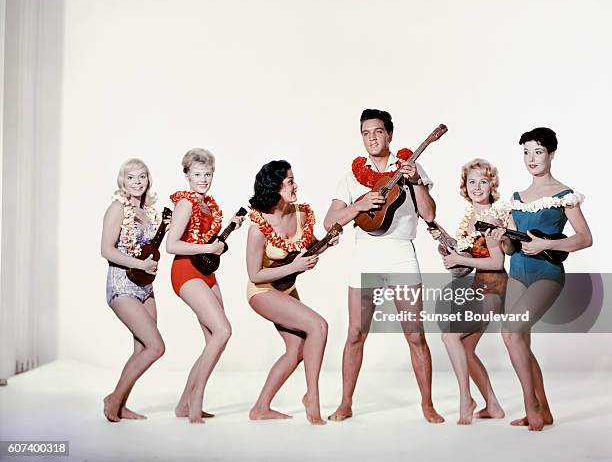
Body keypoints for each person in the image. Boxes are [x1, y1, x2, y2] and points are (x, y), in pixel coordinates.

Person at [324, 109, 444, 423]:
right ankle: (345, 403)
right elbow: (328, 222)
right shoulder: (351, 177)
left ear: (389, 134)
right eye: (365, 133)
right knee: (355, 334)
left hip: (401, 253)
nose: (372, 138)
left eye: (377, 131)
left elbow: (429, 214)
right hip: (365, 257)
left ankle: (427, 404)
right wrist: (359, 205)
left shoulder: (409, 167)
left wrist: (416, 180)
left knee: (415, 334)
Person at [494, 127, 592, 431]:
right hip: (518, 272)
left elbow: (585, 238)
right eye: (526, 152)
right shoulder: (515, 199)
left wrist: (545, 245)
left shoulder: (565, 196)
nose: (531, 158)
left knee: (511, 333)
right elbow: (511, 248)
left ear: (551, 154)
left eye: (537, 151)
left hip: (547, 274)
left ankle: (531, 408)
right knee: (517, 337)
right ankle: (543, 410)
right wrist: (499, 239)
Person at [246, 160, 339, 425]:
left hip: (288, 288)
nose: (295, 185)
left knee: (296, 349)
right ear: (275, 188)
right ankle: (313, 397)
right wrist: (297, 265)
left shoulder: (300, 214)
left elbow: (308, 249)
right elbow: (254, 274)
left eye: (293, 179)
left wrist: (326, 244)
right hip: (262, 291)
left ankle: (260, 408)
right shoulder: (258, 228)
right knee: (319, 326)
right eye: (289, 181)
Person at [166, 148, 245, 423]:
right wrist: (207, 246)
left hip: (206, 272)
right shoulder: (185, 203)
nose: (203, 179)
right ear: (187, 175)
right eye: (197, 174)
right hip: (185, 271)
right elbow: (171, 245)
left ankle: (182, 405)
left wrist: (222, 240)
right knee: (223, 331)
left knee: (214, 338)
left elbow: (208, 245)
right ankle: (196, 397)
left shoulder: (208, 205)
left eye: (208, 174)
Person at [428, 158, 507, 424]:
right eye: (471, 181)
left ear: (491, 185)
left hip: (494, 287)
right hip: (479, 286)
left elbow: (497, 262)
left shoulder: (492, 217)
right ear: (464, 185)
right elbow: (469, 252)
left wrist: (460, 260)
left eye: (483, 182)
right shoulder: (471, 216)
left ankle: (466, 399)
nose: (476, 187)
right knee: (465, 347)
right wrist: (445, 241)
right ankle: (493, 405)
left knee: (450, 338)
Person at [101, 158, 167, 422]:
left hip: (145, 286)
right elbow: (106, 249)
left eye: (142, 177)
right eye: (131, 177)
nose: (137, 182)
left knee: (142, 348)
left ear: (148, 180)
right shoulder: (117, 208)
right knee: (156, 346)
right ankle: (113, 398)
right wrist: (141, 263)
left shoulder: (148, 211)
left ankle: (121, 404)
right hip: (121, 284)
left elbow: (147, 248)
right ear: (122, 181)